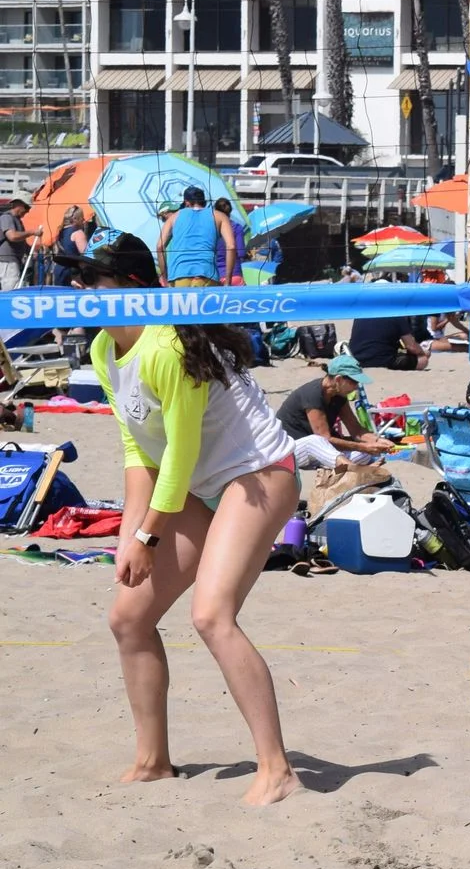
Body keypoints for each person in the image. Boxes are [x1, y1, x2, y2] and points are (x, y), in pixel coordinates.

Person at [68, 235, 302, 807]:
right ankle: (153, 762)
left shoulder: (166, 346)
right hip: (198, 485)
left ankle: (277, 769)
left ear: (130, 288)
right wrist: (129, 535)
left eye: (90, 279)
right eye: (76, 277)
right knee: (128, 618)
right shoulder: (103, 348)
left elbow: (179, 451)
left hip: (259, 473)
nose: (76, 288)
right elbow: (138, 449)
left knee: (211, 616)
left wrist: (148, 536)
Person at [277, 357, 390, 469]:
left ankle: (343, 467)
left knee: (363, 455)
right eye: (354, 382)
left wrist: (378, 440)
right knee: (315, 441)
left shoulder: (339, 394)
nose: (356, 387)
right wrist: (363, 446)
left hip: (319, 449)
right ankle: (356, 470)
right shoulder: (313, 395)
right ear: (338, 379)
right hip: (290, 450)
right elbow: (324, 438)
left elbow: (356, 430)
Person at [158, 186, 222, 287]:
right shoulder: (215, 216)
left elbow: (159, 247)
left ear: (187, 203)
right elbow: (231, 246)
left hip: (179, 273)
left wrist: (164, 276)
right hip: (206, 272)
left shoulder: (174, 219)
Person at [347, 310, 432, 372]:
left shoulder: (361, 314)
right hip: (383, 360)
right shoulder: (396, 314)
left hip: (356, 358)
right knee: (423, 360)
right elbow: (411, 346)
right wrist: (423, 353)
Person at [211, 197, 245, 285]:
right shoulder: (237, 227)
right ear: (230, 210)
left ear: (216, 211)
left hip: (214, 276)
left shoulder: (212, 229)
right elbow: (241, 253)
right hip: (235, 274)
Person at [0, 197, 29, 291]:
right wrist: (32, 232)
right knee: (11, 289)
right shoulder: (7, 217)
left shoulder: (17, 220)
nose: (28, 211)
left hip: (13, 260)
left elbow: (20, 239)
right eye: (27, 207)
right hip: (7, 260)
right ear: (18, 205)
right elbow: (12, 236)